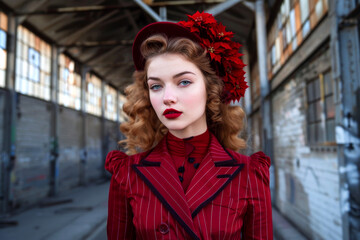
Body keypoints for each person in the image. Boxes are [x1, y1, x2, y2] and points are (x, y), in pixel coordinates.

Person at [105, 11, 273, 240]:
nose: (167, 97)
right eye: (156, 86)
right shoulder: (127, 174)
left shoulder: (248, 174)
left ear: (211, 88)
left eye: (184, 82)